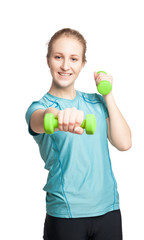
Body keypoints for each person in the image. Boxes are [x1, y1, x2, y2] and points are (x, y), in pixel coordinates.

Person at [25, 28, 132, 240]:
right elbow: (39, 120)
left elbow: (124, 143)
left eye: (73, 59)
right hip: (66, 214)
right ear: (48, 60)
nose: (65, 66)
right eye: (58, 57)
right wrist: (55, 116)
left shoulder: (96, 102)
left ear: (82, 64)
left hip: (108, 210)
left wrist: (107, 94)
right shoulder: (39, 107)